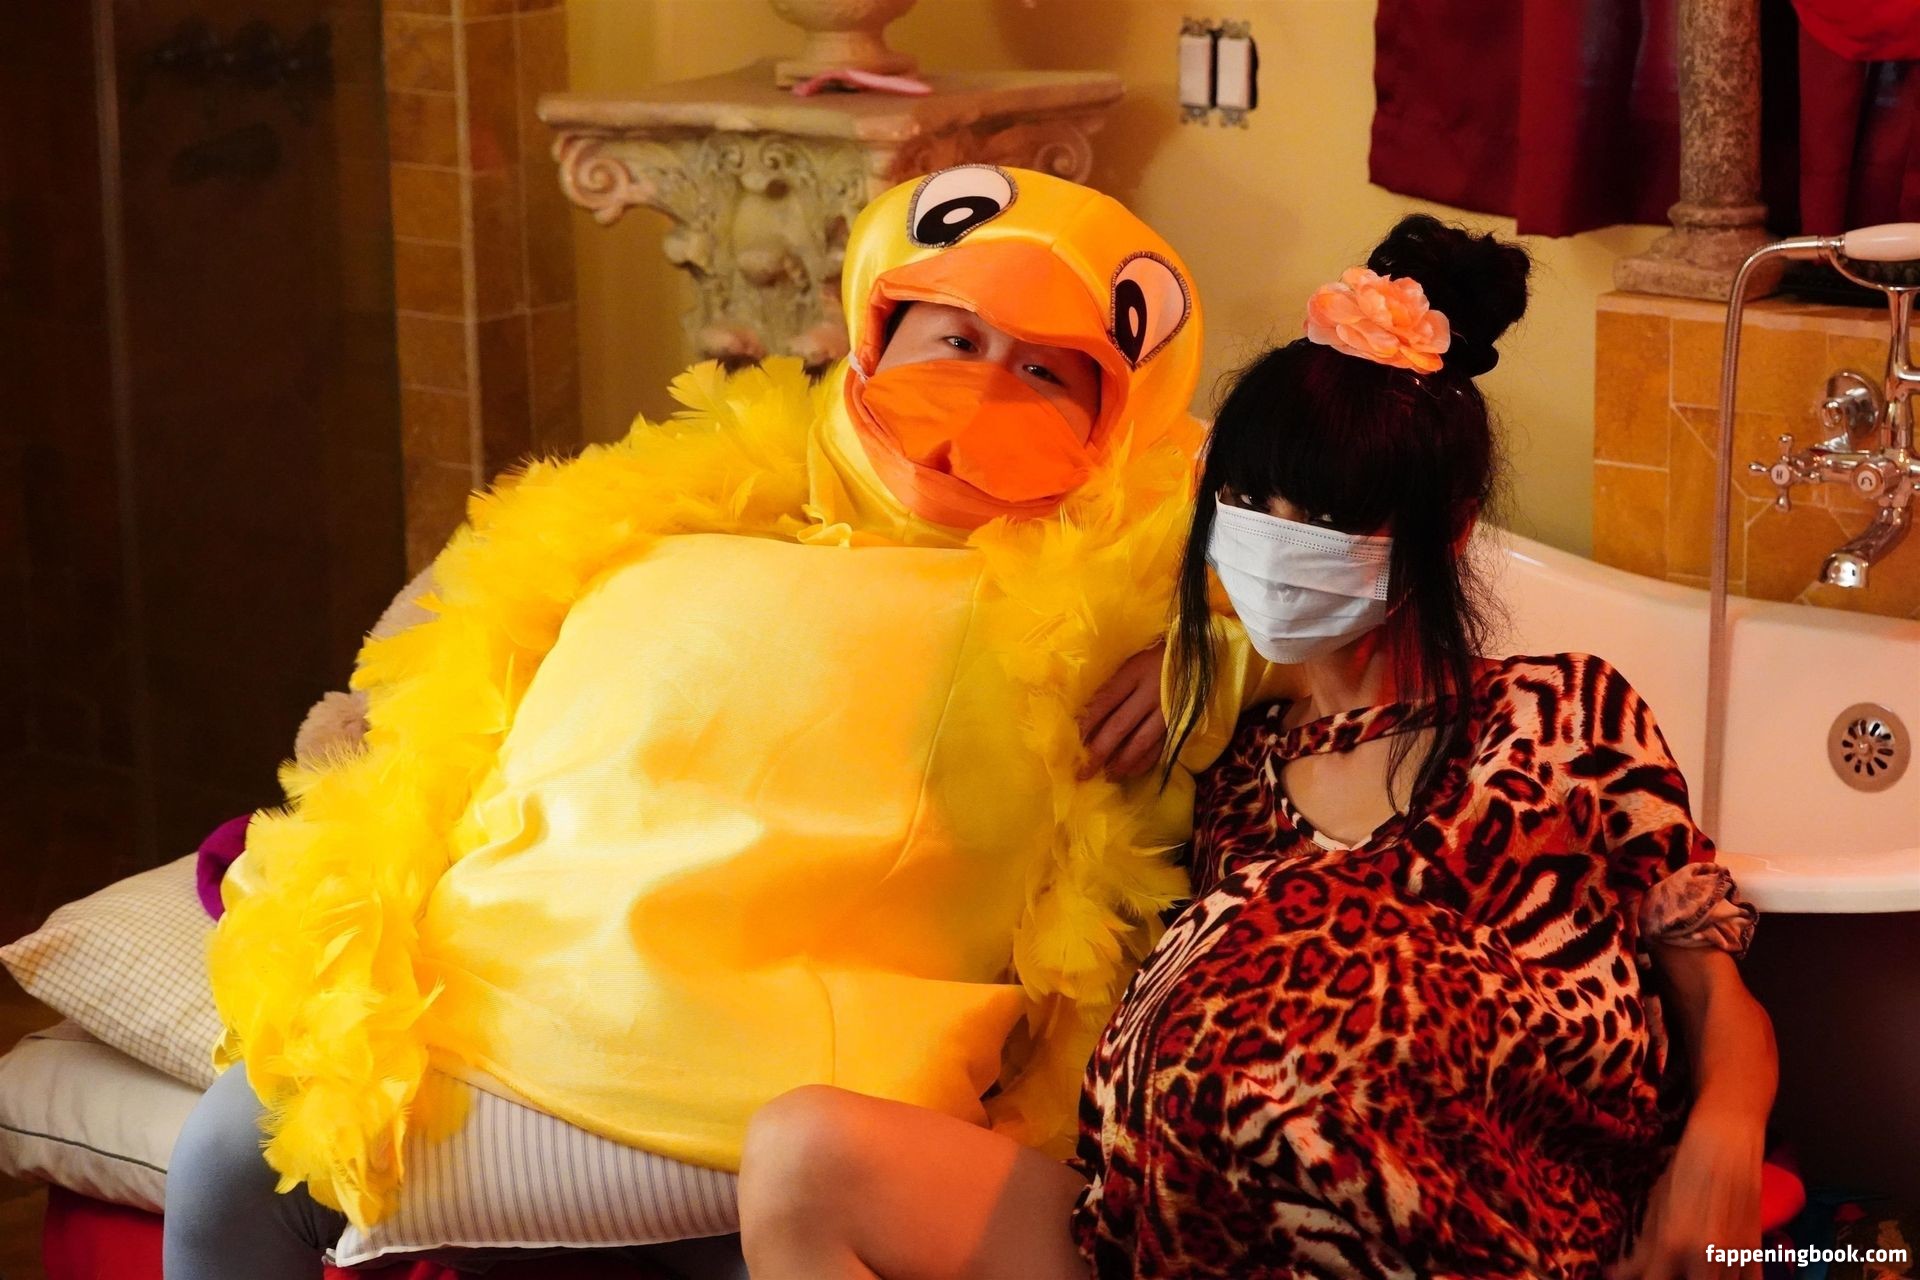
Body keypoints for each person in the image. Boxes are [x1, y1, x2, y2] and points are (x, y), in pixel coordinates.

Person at [166, 166, 1233, 1277]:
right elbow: (445, 697)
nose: (986, 384)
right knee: (239, 1139)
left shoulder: (1125, 600)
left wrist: (1209, 656)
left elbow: (1328, 617)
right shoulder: (661, 512)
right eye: (957, 341)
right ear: (875, 342)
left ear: (1117, 424)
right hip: (479, 1008)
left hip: (784, 1088)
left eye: (1045, 371)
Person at [735, 215, 1774, 1280]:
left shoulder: (1561, 715)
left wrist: (1727, 1132)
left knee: (1332, 947)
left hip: (1481, 1235)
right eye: (1244, 500)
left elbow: (1714, 995)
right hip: (1175, 1231)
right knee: (803, 1151)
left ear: (1449, 529)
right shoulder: (1231, 766)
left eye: (1320, 515)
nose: (1274, 539)